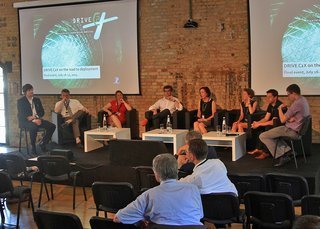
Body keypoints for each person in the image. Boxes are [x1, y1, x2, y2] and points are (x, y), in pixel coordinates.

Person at [114, 154, 203, 226]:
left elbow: (118, 218)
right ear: (176, 171)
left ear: (156, 173)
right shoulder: (193, 189)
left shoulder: (149, 195)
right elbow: (199, 215)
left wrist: (143, 216)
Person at [259, 84, 310, 167]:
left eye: (288, 95)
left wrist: (279, 109)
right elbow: (300, 114)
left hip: (291, 131)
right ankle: (288, 151)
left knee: (263, 136)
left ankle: (283, 155)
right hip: (298, 130)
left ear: (293, 93)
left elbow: (282, 119)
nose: (288, 97)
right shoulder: (303, 100)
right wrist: (295, 118)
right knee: (274, 134)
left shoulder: (296, 104)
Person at [17, 84, 56, 155]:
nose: (31, 91)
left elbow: (42, 111)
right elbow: (22, 114)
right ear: (25, 92)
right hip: (26, 121)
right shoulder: (21, 101)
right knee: (33, 127)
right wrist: (32, 119)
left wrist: (36, 117)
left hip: (37, 119)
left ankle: (43, 143)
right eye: (29, 90)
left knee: (52, 126)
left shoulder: (37, 100)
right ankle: (33, 147)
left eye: (32, 90)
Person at [248, 89, 283, 159]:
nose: (267, 99)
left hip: (279, 125)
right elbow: (266, 118)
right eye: (267, 97)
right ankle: (259, 148)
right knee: (258, 128)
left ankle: (266, 152)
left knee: (267, 128)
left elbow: (274, 122)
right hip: (272, 124)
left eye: (269, 97)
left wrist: (260, 124)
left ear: (275, 97)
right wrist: (257, 123)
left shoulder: (279, 106)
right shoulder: (270, 105)